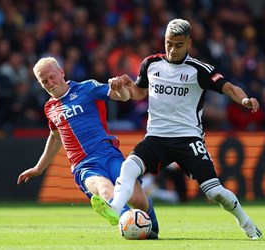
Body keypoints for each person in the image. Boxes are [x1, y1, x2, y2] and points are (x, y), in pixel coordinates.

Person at [91, 18, 263, 240]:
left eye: (178, 45)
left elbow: (228, 87)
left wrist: (245, 100)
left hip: (188, 139)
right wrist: (127, 86)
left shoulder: (199, 70)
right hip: (156, 137)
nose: (172, 49)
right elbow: (139, 93)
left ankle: (246, 223)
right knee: (128, 167)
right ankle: (115, 208)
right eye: (168, 43)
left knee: (215, 193)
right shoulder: (151, 64)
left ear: (189, 43)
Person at [16, 57, 159, 239]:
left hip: (108, 154)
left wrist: (119, 87)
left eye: (52, 77)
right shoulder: (49, 108)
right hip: (83, 166)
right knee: (104, 188)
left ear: (61, 72)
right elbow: (55, 137)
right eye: (44, 81)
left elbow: (123, 97)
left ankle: (150, 225)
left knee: (137, 198)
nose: (50, 83)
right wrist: (38, 168)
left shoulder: (87, 88)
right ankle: (125, 218)